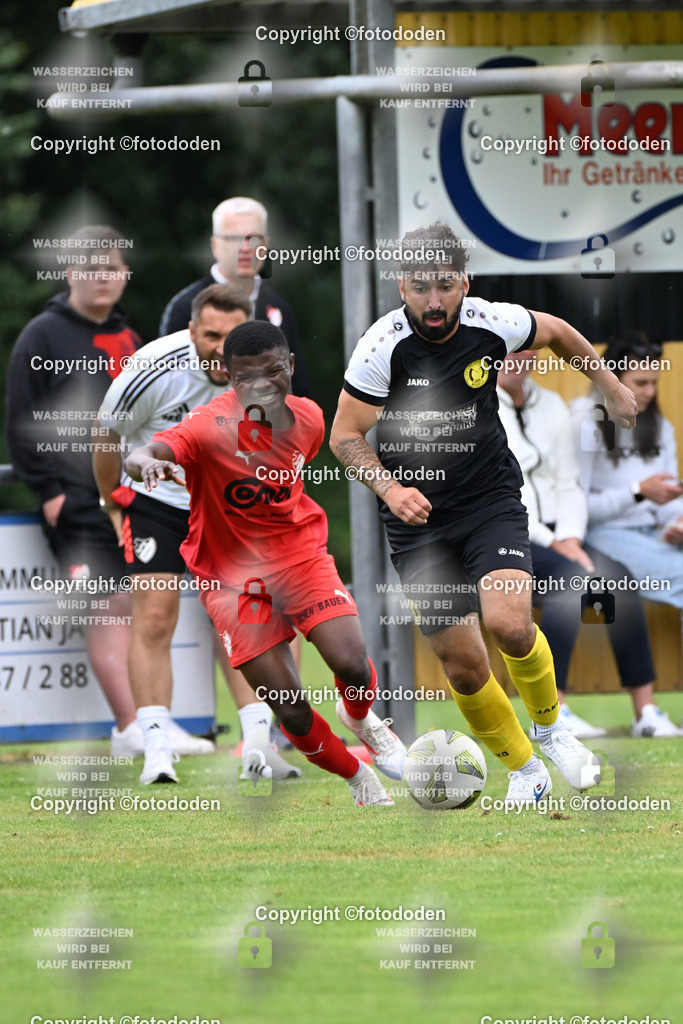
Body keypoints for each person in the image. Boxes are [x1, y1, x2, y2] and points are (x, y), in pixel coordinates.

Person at [329, 222, 638, 806]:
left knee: (508, 622)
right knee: (463, 665)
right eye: (421, 287)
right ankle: (526, 770)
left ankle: (553, 731)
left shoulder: (491, 322)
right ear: (402, 287)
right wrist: (391, 489)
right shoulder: (380, 348)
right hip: (416, 520)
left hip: (488, 500)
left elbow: (557, 332)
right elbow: (344, 437)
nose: (436, 300)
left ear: (465, 282)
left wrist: (607, 383)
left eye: (446, 285)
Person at [122, 321, 406, 803]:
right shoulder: (207, 427)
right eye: (247, 378)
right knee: (290, 708)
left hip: (299, 558)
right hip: (233, 580)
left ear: (291, 365)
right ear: (229, 379)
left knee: (352, 663)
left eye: (274, 372)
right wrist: (146, 462)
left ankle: (361, 720)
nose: (263, 385)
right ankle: (359, 779)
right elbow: (146, 450)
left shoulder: (312, 419)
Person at [5, 225, 212, 758]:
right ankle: (131, 728)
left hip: (132, 499)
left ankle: (152, 724)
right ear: (70, 274)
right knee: (111, 605)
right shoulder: (41, 336)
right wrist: (50, 493)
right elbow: (21, 421)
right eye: (89, 269)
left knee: (141, 606)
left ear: (124, 275)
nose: (102, 279)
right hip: (74, 502)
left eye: (112, 268)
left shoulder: (132, 340)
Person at [94, 283, 302, 783]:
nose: (218, 349)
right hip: (157, 503)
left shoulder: (260, 378)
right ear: (191, 330)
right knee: (154, 619)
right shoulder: (151, 369)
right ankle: (157, 752)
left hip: (226, 509)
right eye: (209, 335)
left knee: (247, 623)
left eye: (230, 338)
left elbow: (263, 454)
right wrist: (111, 501)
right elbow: (106, 435)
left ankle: (258, 748)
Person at [497, 349, 682, 739]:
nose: (520, 359)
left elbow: (570, 483)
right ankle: (551, 713)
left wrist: (570, 536)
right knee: (576, 582)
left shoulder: (550, 404)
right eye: (510, 351)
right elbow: (502, 493)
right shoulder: (477, 405)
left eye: (527, 350)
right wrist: (556, 542)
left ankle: (645, 712)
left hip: (561, 531)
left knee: (619, 580)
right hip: (505, 532)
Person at [572, 331, 683, 737]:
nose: (650, 392)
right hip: (603, 536)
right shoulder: (587, 422)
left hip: (654, 535)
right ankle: (646, 714)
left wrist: (677, 519)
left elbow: (667, 498)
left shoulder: (660, 425)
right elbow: (578, 508)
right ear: (612, 379)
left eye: (654, 382)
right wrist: (639, 493)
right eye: (640, 383)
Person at [159, 196, 309, 398]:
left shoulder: (279, 308)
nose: (245, 249)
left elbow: (297, 388)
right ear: (214, 245)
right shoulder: (186, 307)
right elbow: (165, 389)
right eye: (233, 239)